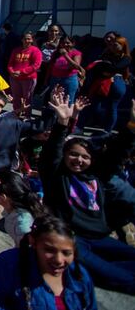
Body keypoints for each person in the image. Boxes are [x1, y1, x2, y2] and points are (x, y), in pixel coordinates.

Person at [40, 92, 135, 294]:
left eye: (85, 157)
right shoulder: (57, 176)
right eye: (73, 154)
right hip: (72, 240)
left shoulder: (96, 176)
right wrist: (62, 122)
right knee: (122, 279)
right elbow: (51, 152)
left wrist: (132, 127)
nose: (79, 160)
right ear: (65, 155)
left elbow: (116, 155)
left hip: (101, 238)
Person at [0, 214, 97, 310]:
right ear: (33, 242)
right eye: (49, 250)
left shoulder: (80, 276)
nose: (58, 260)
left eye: (66, 253)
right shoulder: (8, 264)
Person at [7, 32, 42, 113]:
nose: (27, 40)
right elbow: (10, 63)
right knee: (16, 97)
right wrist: (11, 72)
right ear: (22, 40)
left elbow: (36, 65)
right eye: (25, 38)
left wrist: (21, 72)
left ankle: (26, 115)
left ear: (32, 40)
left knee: (27, 98)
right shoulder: (16, 50)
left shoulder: (36, 51)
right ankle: (16, 113)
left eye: (29, 39)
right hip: (15, 78)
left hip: (28, 78)